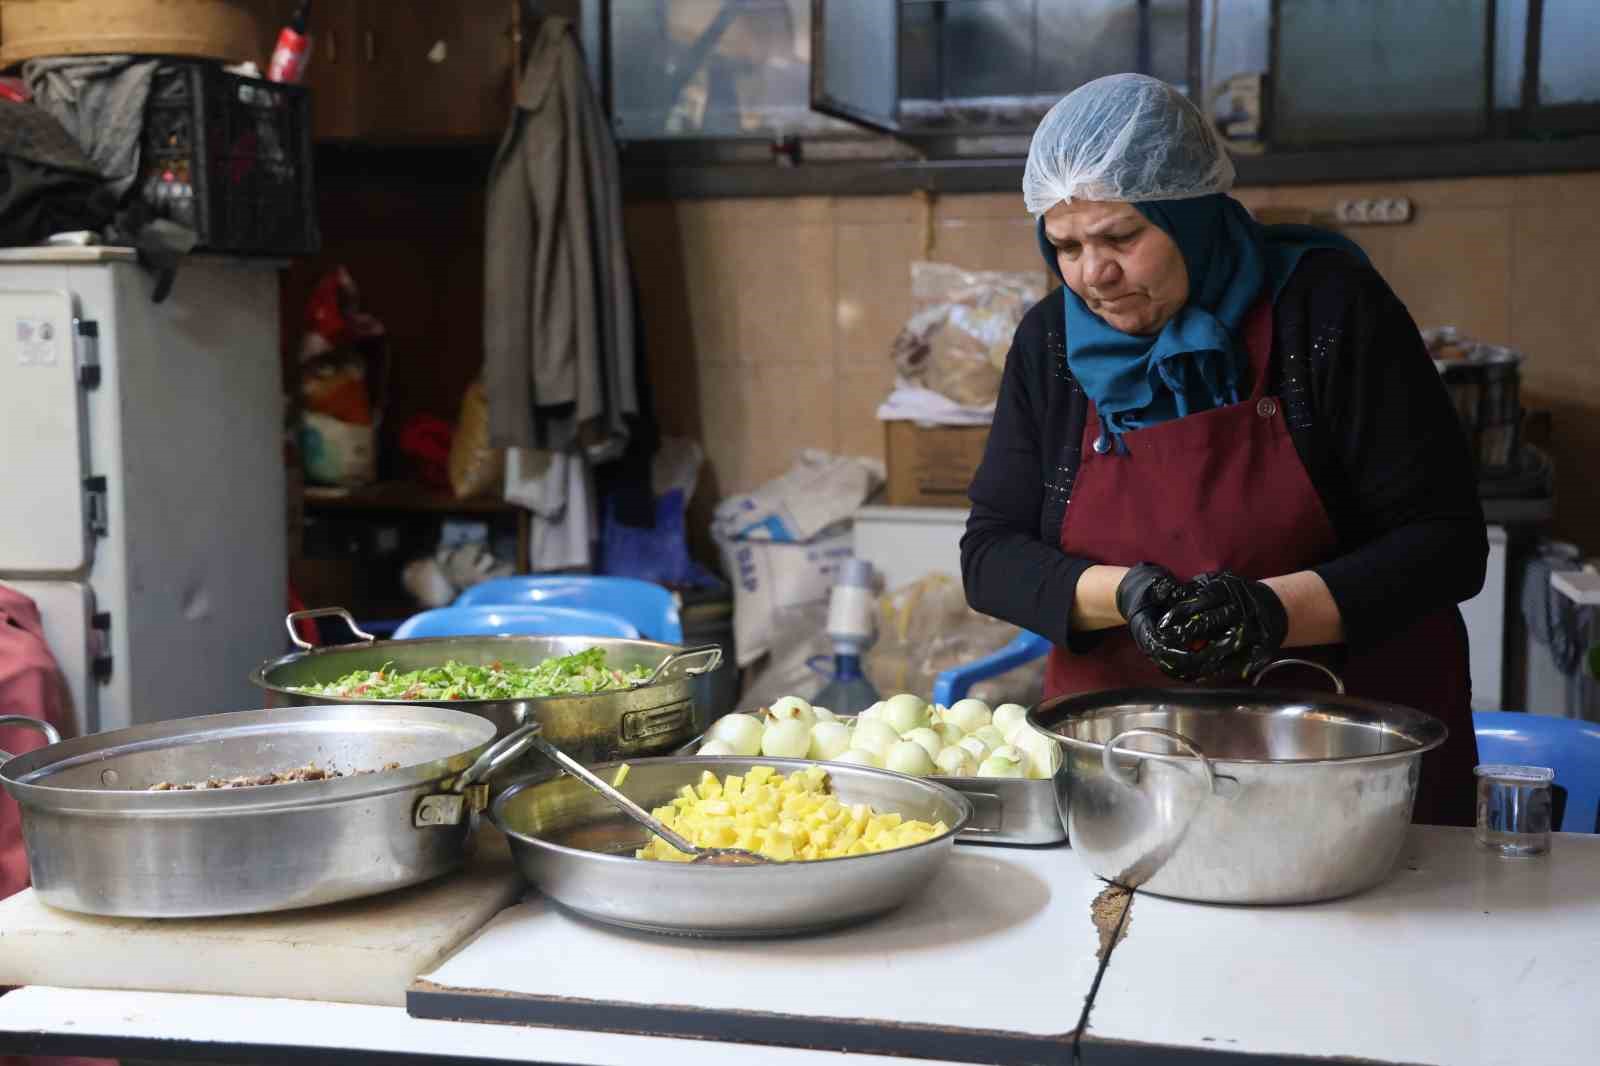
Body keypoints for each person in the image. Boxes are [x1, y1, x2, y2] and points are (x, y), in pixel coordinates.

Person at [961, 74, 1487, 826]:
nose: (1092, 276)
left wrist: (1271, 612)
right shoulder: (1051, 342)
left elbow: (1447, 545)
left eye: (1121, 237)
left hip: (1343, 760)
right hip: (1131, 770)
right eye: (1066, 245)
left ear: (1192, 215)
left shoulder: (1327, 310)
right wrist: (1130, 595)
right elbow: (990, 555)